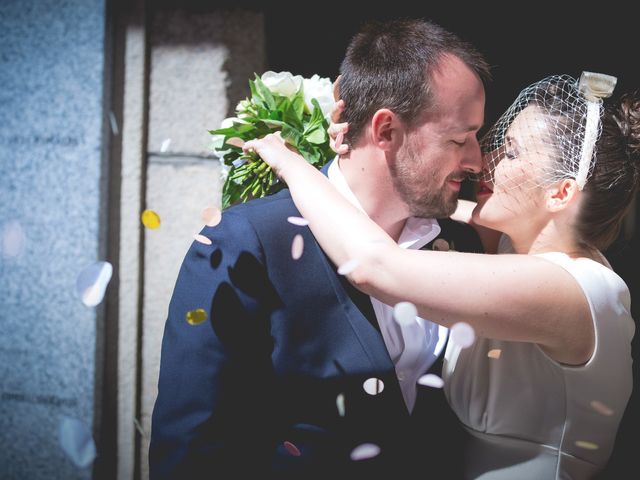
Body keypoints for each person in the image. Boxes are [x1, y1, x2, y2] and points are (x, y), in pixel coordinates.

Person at [243, 72, 638, 479]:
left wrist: (289, 161)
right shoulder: (517, 246)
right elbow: (415, 203)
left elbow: (372, 265)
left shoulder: (570, 288)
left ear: (560, 193)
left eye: (514, 152)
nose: (487, 159)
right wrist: (362, 154)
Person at [149, 18, 491, 478]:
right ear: (385, 130)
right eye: (458, 139)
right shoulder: (246, 244)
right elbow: (192, 449)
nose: (475, 160)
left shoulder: (462, 241)